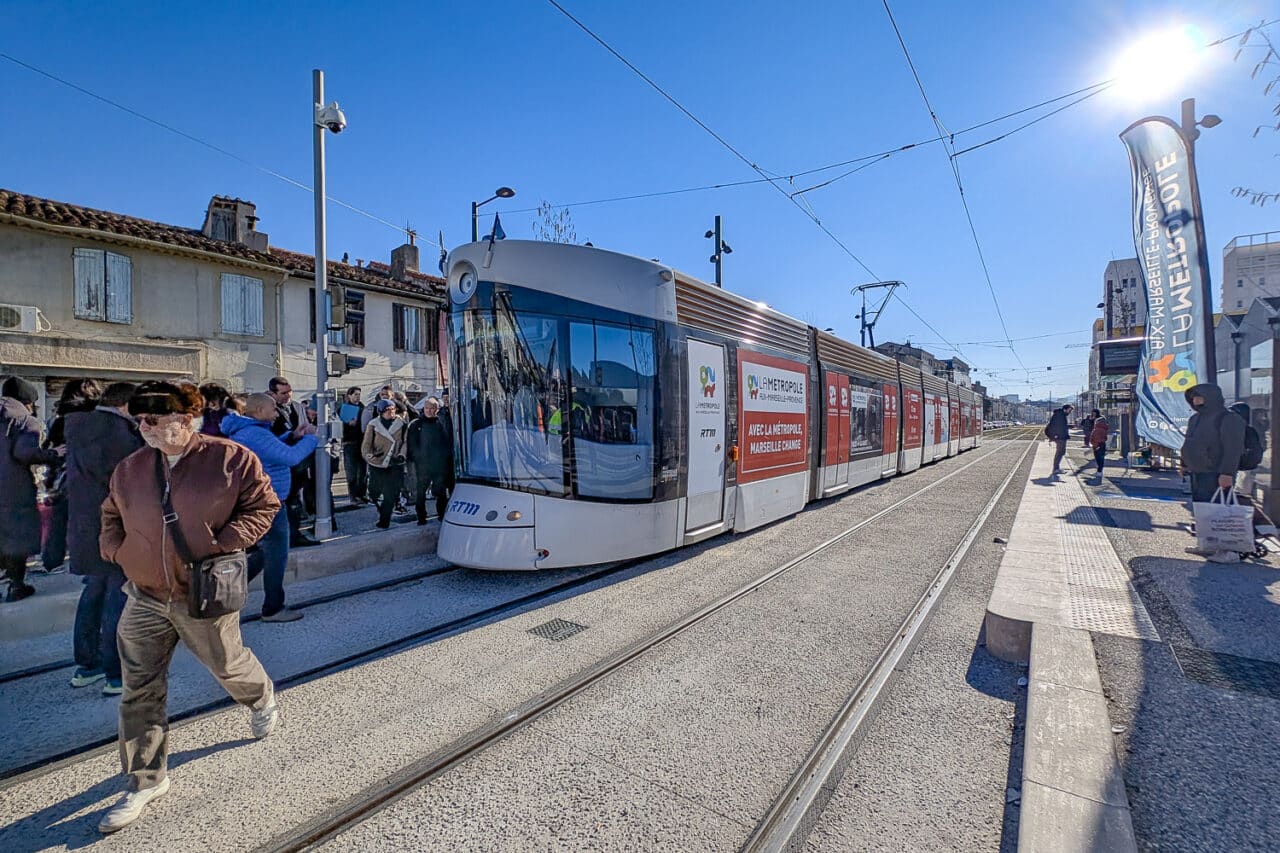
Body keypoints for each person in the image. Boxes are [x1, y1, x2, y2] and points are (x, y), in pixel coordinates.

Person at [97, 381, 281, 833]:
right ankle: (145, 780)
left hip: (203, 592)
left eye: (154, 421)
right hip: (144, 595)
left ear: (185, 420)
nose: (144, 428)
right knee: (138, 687)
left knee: (228, 664)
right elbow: (110, 514)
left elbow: (264, 505)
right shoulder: (131, 468)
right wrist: (118, 551)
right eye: (140, 420)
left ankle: (260, 698)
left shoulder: (231, 459)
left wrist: (226, 544)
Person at [64, 381, 143, 694]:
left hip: (85, 525)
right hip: (116, 527)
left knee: (93, 592)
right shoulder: (119, 434)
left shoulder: (77, 425)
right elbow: (132, 484)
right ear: (126, 406)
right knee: (118, 597)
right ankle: (117, 672)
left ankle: (87, 663)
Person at [220, 393, 319, 622]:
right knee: (277, 555)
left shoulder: (248, 430)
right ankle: (273, 608)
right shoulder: (254, 433)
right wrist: (312, 439)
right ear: (259, 411)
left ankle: (225, 593)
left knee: (262, 553)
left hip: (258, 501)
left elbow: (271, 447)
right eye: (273, 409)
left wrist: (292, 435)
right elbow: (290, 457)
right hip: (268, 504)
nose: (277, 414)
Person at [1, 377, 63, 601]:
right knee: (16, 534)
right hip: (12, 489)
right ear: (28, 401)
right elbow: (25, 453)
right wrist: (55, 454)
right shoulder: (25, 421)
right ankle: (16, 585)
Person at [41, 378, 103, 572]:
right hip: (90, 477)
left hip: (63, 478)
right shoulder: (98, 419)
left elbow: (48, 447)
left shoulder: (60, 420)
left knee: (60, 520)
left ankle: (52, 561)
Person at [1180, 383, 1247, 563]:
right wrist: (1184, 463)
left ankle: (1230, 550)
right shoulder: (1195, 419)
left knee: (1220, 510)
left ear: (1211, 397)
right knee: (1203, 510)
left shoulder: (1228, 419)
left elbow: (1233, 449)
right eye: (1193, 397)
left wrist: (1227, 473)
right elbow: (1189, 443)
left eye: (1199, 396)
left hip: (1216, 472)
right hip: (1198, 471)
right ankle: (1207, 544)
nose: (1195, 400)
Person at [267, 377, 319, 548]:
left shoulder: (296, 406)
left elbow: (304, 426)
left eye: (289, 392)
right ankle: (279, 537)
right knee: (278, 503)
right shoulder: (267, 409)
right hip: (277, 463)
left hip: (298, 463)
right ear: (273, 393)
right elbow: (268, 438)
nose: (287, 396)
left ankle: (295, 535)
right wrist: (292, 435)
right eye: (283, 393)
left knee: (295, 501)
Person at [406, 397, 454, 525]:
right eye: (427, 408)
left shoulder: (441, 423)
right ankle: (421, 517)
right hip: (423, 465)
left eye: (432, 408)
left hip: (439, 465)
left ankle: (441, 514)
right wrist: (417, 459)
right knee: (420, 492)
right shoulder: (416, 424)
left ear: (437, 409)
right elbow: (412, 445)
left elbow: (447, 442)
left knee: (441, 492)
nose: (429, 411)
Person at [362, 399, 407, 529]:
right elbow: (366, 444)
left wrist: (402, 455)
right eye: (387, 410)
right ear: (381, 412)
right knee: (374, 491)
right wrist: (369, 456)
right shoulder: (373, 424)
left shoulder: (401, 424)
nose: (390, 412)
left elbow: (405, 442)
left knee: (390, 493)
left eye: (392, 409)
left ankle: (384, 520)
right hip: (378, 462)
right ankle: (380, 509)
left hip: (394, 463)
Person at [340, 386, 367, 504]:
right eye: (355, 394)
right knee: (352, 472)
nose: (357, 397)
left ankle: (362, 494)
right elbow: (338, 425)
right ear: (349, 395)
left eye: (359, 394)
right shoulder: (343, 408)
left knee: (362, 471)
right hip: (349, 443)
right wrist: (347, 423)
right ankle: (353, 496)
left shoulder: (363, 408)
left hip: (362, 442)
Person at [1044, 403, 1073, 474]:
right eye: (1069, 410)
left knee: (1061, 452)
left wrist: (1068, 426)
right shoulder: (1060, 415)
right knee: (1060, 452)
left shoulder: (1060, 414)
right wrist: (1055, 435)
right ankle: (1056, 468)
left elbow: (1060, 425)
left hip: (1060, 436)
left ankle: (1056, 468)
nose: (1070, 412)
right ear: (1065, 409)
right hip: (1060, 437)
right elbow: (1056, 426)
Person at [1088, 413, 1109, 478]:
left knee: (1098, 459)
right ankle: (1100, 472)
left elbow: (1095, 438)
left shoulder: (1097, 429)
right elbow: (1105, 438)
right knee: (1101, 459)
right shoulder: (1104, 429)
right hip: (1102, 444)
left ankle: (1099, 472)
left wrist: (1096, 446)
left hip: (1097, 445)